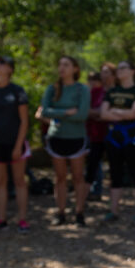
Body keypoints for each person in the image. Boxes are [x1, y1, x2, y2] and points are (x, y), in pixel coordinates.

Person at [38, 56, 91, 226]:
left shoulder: (82, 90)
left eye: (66, 65)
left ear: (75, 69)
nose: (62, 68)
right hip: (56, 138)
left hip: (76, 138)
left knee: (77, 177)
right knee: (60, 177)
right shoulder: (52, 89)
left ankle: (79, 212)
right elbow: (43, 112)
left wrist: (56, 113)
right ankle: (60, 213)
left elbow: (82, 115)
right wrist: (67, 112)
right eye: (60, 64)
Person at [0, 55, 31, 233]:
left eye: (2, 63)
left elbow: (24, 121)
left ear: (10, 69)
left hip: (15, 143)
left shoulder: (18, 91)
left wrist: (18, 146)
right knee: (0, 181)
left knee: (19, 181)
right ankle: (1, 219)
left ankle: (22, 219)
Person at [99, 60, 135, 225]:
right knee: (115, 173)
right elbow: (103, 114)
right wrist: (122, 113)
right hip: (115, 136)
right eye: (118, 68)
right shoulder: (112, 92)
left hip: (132, 135)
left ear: (132, 71)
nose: (119, 71)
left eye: (123, 68)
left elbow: (134, 114)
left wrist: (115, 111)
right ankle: (114, 211)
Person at [85, 70, 108, 199]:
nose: (92, 83)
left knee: (96, 163)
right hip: (89, 132)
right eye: (90, 80)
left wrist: (86, 112)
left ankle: (97, 190)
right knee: (90, 163)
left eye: (95, 80)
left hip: (101, 133)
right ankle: (89, 190)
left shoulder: (103, 93)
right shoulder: (88, 93)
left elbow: (100, 113)